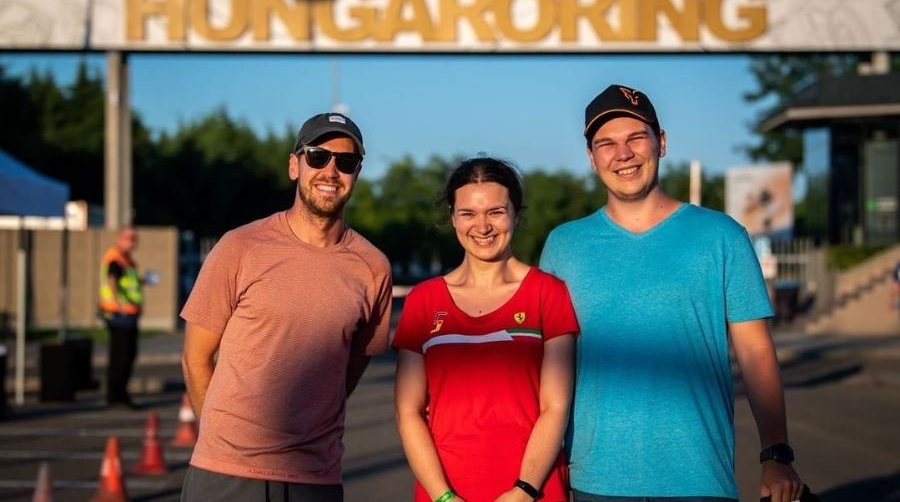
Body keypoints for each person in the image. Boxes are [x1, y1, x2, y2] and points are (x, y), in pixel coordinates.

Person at [539, 85, 804, 502]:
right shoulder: (563, 246)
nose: (622, 154)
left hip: (699, 481)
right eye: (606, 143)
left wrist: (776, 453)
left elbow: (755, 352)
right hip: (593, 482)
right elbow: (547, 365)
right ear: (591, 158)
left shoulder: (722, 237)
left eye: (635, 138)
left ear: (660, 143)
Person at [180, 112, 392, 501]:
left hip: (315, 477)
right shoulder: (240, 247)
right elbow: (196, 358)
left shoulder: (373, 268)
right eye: (317, 157)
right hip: (225, 474)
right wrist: (219, 441)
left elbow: (349, 369)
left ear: (357, 174)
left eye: (345, 162)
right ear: (294, 166)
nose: (331, 170)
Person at [393, 157, 578, 502]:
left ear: (516, 215)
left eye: (495, 212)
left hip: (534, 491)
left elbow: (556, 406)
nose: (482, 226)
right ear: (452, 217)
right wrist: (444, 496)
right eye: (468, 213)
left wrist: (524, 490)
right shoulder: (423, 300)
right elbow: (408, 411)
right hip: (444, 494)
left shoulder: (548, 293)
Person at [98, 226, 144, 409]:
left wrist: (142, 281)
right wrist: (120, 304)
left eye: (134, 238)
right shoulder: (115, 258)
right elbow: (112, 281)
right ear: (119, 238)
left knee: (128, 354)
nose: (132, 242)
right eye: (129, 238)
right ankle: (116, 396)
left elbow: (128, 282)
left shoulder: (127, 260)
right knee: (121, 356)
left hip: (128, 314)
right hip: (119, 315)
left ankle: (120, 394)